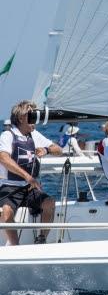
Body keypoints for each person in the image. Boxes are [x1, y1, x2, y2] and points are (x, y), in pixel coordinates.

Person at [0, 100, 62, 245]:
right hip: (10, 186)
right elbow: (3, 158)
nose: (36, 120)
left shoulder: (34, 135)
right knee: (7, 211)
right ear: (21, 118)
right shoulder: (7, 135)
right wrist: (28, 177)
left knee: (49, 203)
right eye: (32, 116)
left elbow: (59, 150)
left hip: (29, 188)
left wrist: (46, 150)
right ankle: (15, 246)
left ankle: (41, 239)